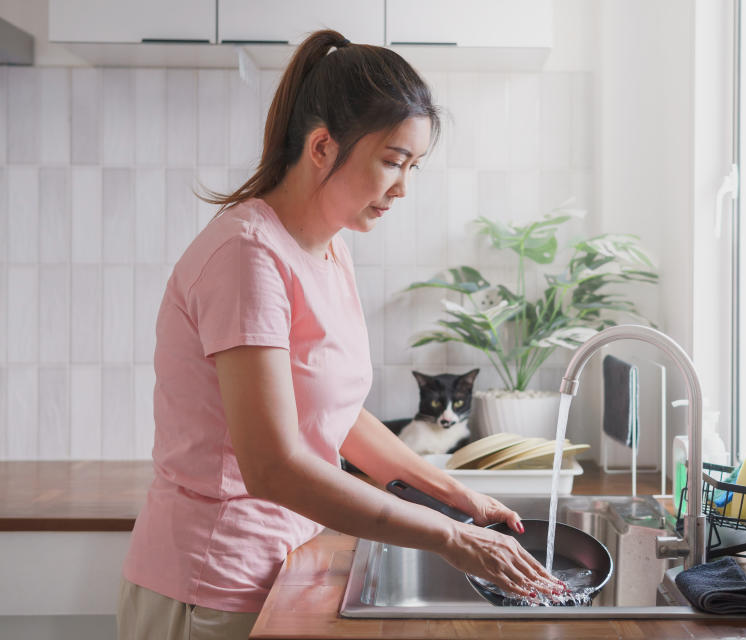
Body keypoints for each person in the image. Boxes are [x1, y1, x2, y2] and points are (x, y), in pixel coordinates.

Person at [116, 29, 564, 640]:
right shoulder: (247, 256)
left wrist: (457, 496)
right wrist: (448, 536)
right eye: (393, 160)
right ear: (323, 146)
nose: (403, 187)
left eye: (413, 166)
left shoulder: (329, 248)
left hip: (282, 563)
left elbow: (336, 418)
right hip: (211, 581)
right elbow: (272, 466)